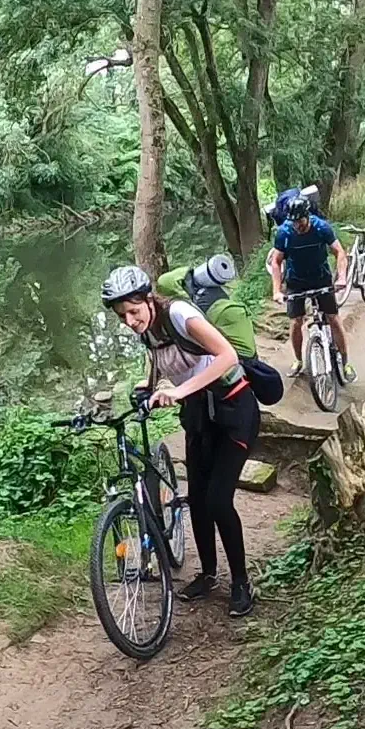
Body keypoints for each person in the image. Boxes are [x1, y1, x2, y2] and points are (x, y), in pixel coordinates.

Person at [101, 265, 259, 618]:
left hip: (234, 409)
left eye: (133, 311)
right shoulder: (147, 329)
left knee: (219, 501)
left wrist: (180, 391)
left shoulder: (179, 314)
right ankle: (207, 574)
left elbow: (227, 356)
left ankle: (241, 582)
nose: (129, 320)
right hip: (200, 417)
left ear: (148, 300)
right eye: (122, 315)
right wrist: (148, 385)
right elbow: (158, 358)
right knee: (198, 500)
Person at [270, 197, 357, 382]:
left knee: (333, 318)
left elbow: (339, 252)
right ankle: (299, 360)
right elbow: (276, 262)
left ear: (307, 216)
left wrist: (341, 277)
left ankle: (346, 361)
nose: (297, 226)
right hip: (296, 281)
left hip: (321, 278)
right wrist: (277, 290)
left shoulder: (321, 228)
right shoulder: (284, 233)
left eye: (300, 221)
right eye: (294, 222)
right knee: (295, 322)